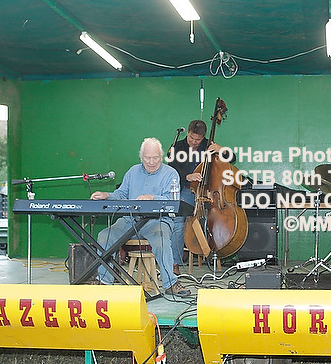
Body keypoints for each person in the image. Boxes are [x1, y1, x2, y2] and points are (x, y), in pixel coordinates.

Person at [90, 137, 190, 297]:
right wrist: (106, 195)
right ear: (141, 156)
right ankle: (104, 281)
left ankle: (171, 283)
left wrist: (152, 197)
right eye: (147, 158)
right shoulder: (133, 172)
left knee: (161, 239)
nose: (151, 162)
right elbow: (121, 194)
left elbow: (173, 200)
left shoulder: (170, 174)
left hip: (157, 221)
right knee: (105, 236)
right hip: (130, 220)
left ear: (162, 156)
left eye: (155, 158)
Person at [167, 120, 236, 272]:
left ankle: (214, 255)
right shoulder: (178, 147)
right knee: (178, 221)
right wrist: (187, 176)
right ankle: (174, 263)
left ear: (203, 137)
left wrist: (221, 149)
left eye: (198, 140)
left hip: (209, 192)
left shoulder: (208, 145)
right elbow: (170, 169)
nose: (194, 142)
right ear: (188, 133)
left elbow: (232, 158)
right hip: (188, 190)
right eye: (191, 138)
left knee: (214, 220)